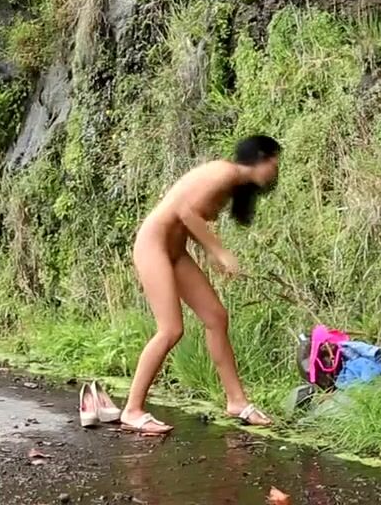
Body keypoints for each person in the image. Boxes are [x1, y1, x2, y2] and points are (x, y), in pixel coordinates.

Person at [118, 135, 282, 435]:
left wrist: (210, 254)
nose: (275, 170)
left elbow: (188, 219)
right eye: (274, 162)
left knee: (216, 317)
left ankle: (236, 401)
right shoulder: (224, 172)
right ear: (260, 157)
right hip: (153, 246)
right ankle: (132, 409)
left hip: (175, 252)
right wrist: (219, 252)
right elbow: (185, 212)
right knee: (170, 329)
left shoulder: (232, 183)